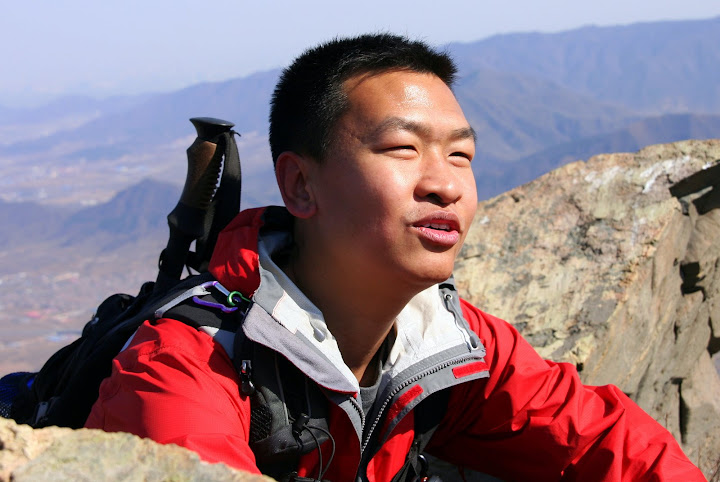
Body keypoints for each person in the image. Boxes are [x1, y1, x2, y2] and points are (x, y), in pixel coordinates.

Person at [85, 34, 704, 481]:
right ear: (300, 185)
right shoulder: (186, 372)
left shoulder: (448, 342)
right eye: (403, 148)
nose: (446, 184)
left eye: (461, 155)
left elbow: (602, 439)